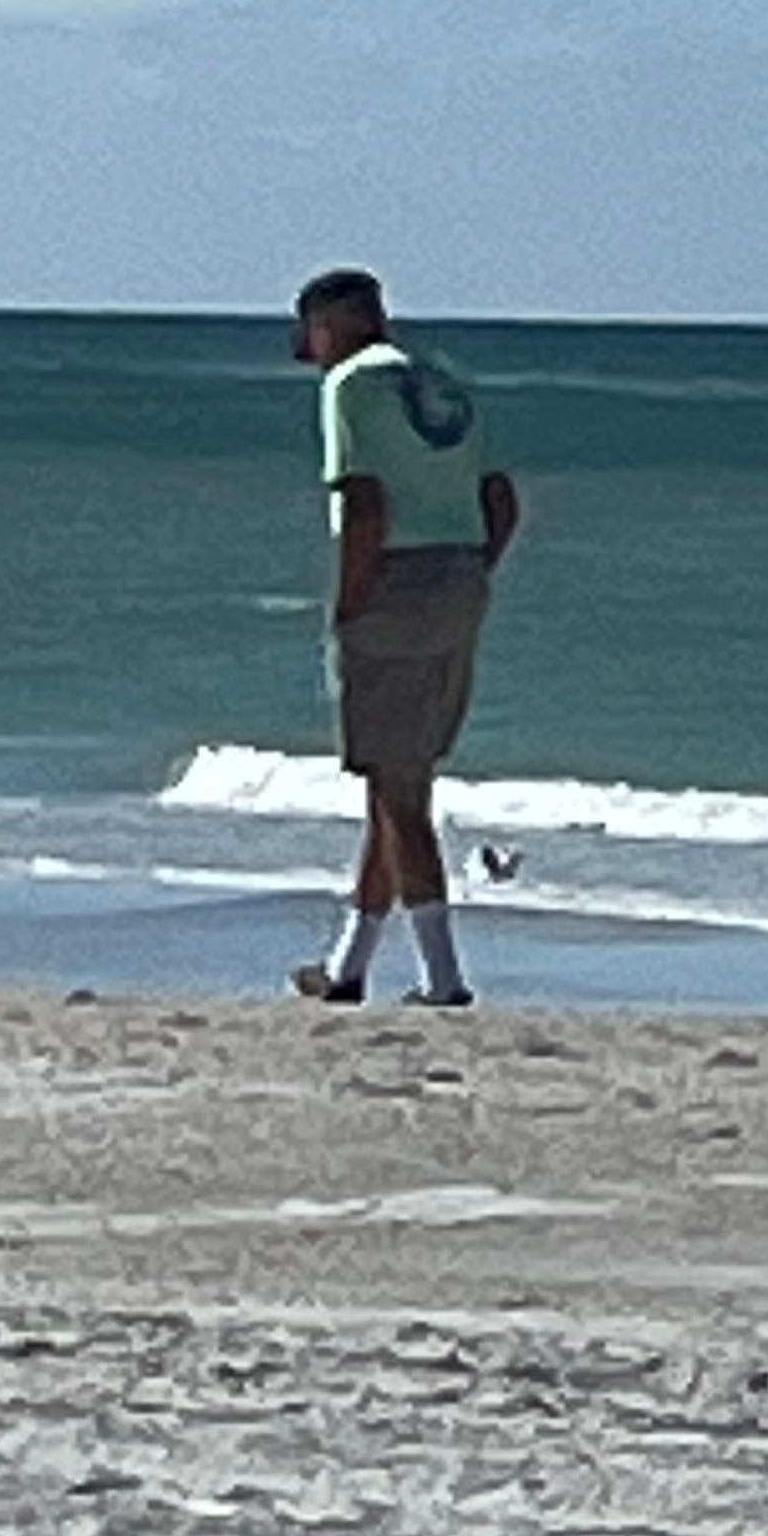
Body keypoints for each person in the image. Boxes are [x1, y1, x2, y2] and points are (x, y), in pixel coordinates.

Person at [286, 267, 518, 1007]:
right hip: (460, 577)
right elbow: (499, 497)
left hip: (396, 580)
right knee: (399, 780)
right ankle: (347, 966)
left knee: (398, 792)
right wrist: (472, 569)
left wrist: (350, 601)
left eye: (311, 331)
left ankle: (442, 978)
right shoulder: (441, 383)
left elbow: (364, 502)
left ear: (332, 324)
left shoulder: (351, 386)